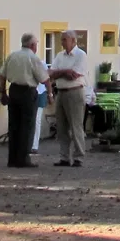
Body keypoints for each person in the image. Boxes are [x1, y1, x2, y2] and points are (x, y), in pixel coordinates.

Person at [0, 33, 47, 168]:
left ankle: (12, 158)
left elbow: (2, 76)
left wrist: (3, 92)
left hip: (14, 90)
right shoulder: (33, 58)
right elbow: (43, 78)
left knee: (14, 125)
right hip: (27, 92)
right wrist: (49, 92)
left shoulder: (12, 56)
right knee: (27, 125)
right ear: (32, 45)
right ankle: (24, 158)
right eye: (36, 44)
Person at [48, 30, 88, 167]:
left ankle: (79, 156)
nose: (62, 42)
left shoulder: (81, 55)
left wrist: (60, 73)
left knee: (76, 125)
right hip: (61, 91)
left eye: (64, 39)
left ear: (73, 40)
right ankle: (64, 157)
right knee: (61, 126)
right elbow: (51, 73)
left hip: (75, 92)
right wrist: (65, 71)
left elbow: (74, 75)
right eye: (62, 39)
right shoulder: (60, 55)